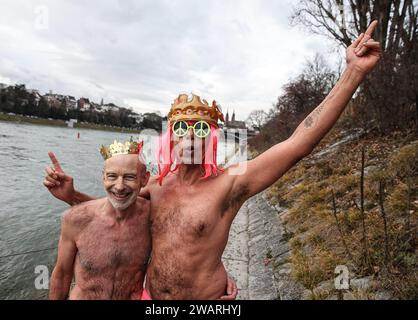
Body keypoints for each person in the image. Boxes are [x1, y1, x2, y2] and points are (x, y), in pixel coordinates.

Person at [44, 21, 381, 299]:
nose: (190, 138)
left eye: (200, 130)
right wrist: (72, 197)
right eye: (181, 128)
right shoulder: (156, 186)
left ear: (211, 139)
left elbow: (297, 144)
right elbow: (115, 214)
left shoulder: (231, 183)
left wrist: (352, 72)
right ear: (170, 136)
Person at [49, 140, 151, 299]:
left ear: (144, 179)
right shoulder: (75, 218)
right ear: (103, 177)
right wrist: (72, 195)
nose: (119, 186)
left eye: (129, 177)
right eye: (112, 176)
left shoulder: (153, 218)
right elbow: (62, 274)